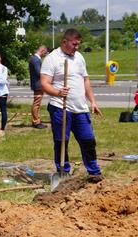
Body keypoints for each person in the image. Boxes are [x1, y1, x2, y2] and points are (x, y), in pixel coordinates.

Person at [40, 28, 103, 182]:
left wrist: (92, 101)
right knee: (62, 141)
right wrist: (57, 92)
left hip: (80, 108)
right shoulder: (52, 58)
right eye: (74, 44)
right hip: (60, 107)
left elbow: (85, 80)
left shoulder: (79, 57)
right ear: (64, 42)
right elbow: (44, 83)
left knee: (88, 140)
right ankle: (63, 172)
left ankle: (94, 172)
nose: (77, 47)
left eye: (78, 44)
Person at [29, 45, 48, 129]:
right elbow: (39, 72)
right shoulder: (36, 60)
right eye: (45, 53)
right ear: (42, 50)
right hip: (38, 84)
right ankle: (36, 121)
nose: (45, 55)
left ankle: (36, 120)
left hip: (37, 84)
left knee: (36, 103)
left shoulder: (34, 58)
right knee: (36, 104)